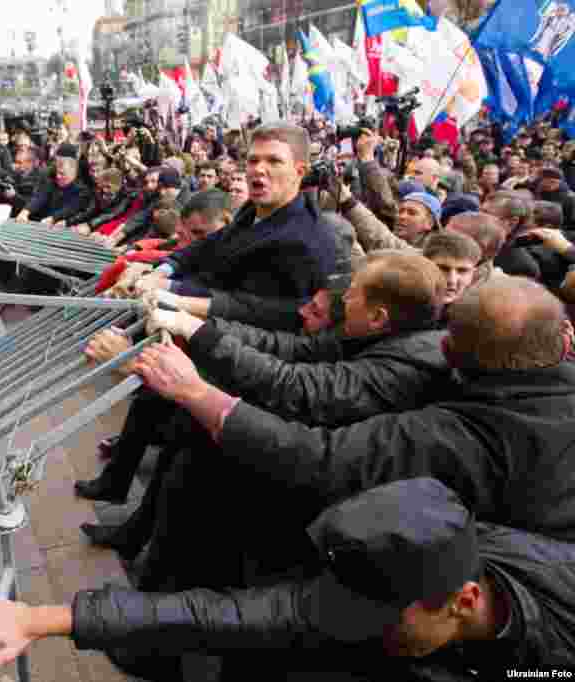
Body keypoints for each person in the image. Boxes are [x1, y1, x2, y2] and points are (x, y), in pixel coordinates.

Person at [131, 275, 575, 598]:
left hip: (473, 591)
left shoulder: (457, 423)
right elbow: (297, 355)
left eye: (351, 298)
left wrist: (195, 391)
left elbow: (318, 455)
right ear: (567, 338)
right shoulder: (517, 395)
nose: (339, 305)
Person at [0, 478, 575, 680]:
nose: (368, 628)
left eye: (380, 617)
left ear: (464, 602)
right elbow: (238, 613)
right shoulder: (428, 567)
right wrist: (47, 619)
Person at [134, 122, 338, 307]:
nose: (259, 169)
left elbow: (244, 304)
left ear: (300, 171)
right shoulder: (252, 210)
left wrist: (168, 287)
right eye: (253, 160)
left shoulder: (305, 240)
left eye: (274, 161)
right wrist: (163, 270)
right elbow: (209, 245)